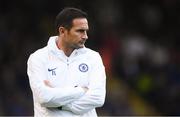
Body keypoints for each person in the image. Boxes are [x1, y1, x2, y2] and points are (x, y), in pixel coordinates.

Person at [27, 7, 106, 117]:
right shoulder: (38, 58)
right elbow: (44, 97)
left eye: (86, 31)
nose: (85, 36)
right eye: (80, 31)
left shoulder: (93, 57)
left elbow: (98, 98)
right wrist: (80, 91)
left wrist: (58, 103)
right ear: (62, 31)